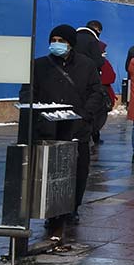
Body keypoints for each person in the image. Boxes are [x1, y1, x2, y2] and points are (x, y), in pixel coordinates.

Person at [20, 25, 104, 229]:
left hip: (76, 127)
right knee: (51, 172)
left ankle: (72, 207)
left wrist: (84, 114)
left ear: (71, 43)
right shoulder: (40, 65)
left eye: (61, 41)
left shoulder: (86, 65)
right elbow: (27, 91)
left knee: (78, 170)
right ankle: (52, 211)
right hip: (49, 128)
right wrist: (36, 111)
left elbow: (96, 92)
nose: (56, 44)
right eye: (54, 40)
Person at [74, 21, 108, 147]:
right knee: (91, 109)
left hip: (70, 81)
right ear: (98, 30)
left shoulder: (73, 37)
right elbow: (98, 62)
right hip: (88, 81)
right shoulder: (93, 41)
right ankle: (89, 135)